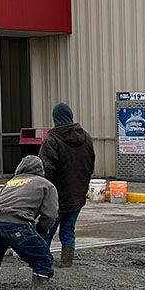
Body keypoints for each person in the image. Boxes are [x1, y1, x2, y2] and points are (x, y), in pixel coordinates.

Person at [0, 155, 59, 290]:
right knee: (42, 257)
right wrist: (41, 230)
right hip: (16, 224)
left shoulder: (11, 182)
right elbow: (51, 214)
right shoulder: (45, 184)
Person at [39, 102, 96, 267]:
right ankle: (67, 261)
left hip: (56, 197)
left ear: (55, 118)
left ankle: (42, 263)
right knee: (68, 228)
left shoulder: (52, 140)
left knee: (46, 231)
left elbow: (45, 171)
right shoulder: (86, 137)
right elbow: (90, 165)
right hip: (77, 195)